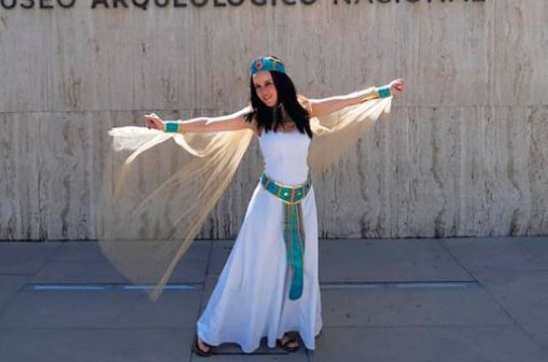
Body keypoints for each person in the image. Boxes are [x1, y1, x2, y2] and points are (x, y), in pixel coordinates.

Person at [144, 56, 404, 356]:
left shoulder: (305, 109)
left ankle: (280, 327)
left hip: (302, 202)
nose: (264, 91)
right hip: (268, 205)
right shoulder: (255, 117)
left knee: (294, 269)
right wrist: (168, 127)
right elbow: (209, 124)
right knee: (251, 268)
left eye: (268, 84)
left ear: (281, 82)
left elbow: (346, 100)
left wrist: (384, 91)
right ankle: (211, 330)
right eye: (258, 86)